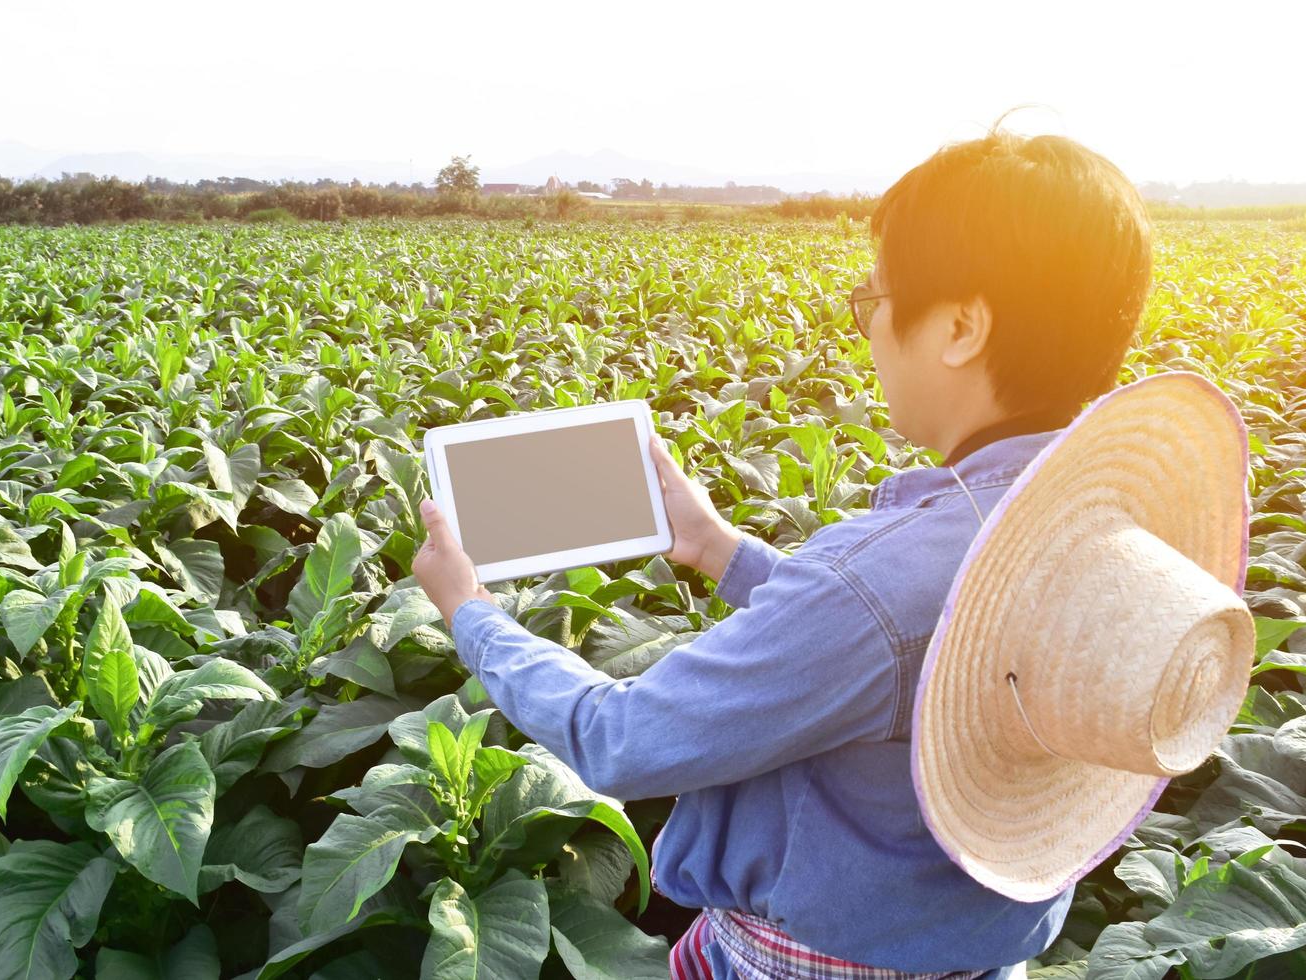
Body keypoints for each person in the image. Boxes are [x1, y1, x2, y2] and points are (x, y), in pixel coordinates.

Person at [413, 121, 1155, 978]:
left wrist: (470, 614)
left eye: (874, 301)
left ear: (960, 326)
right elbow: (912, 652)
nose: (868, 331)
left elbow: (622, 738)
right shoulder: (1098, 529)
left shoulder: (875, 582)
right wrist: (721, 550)